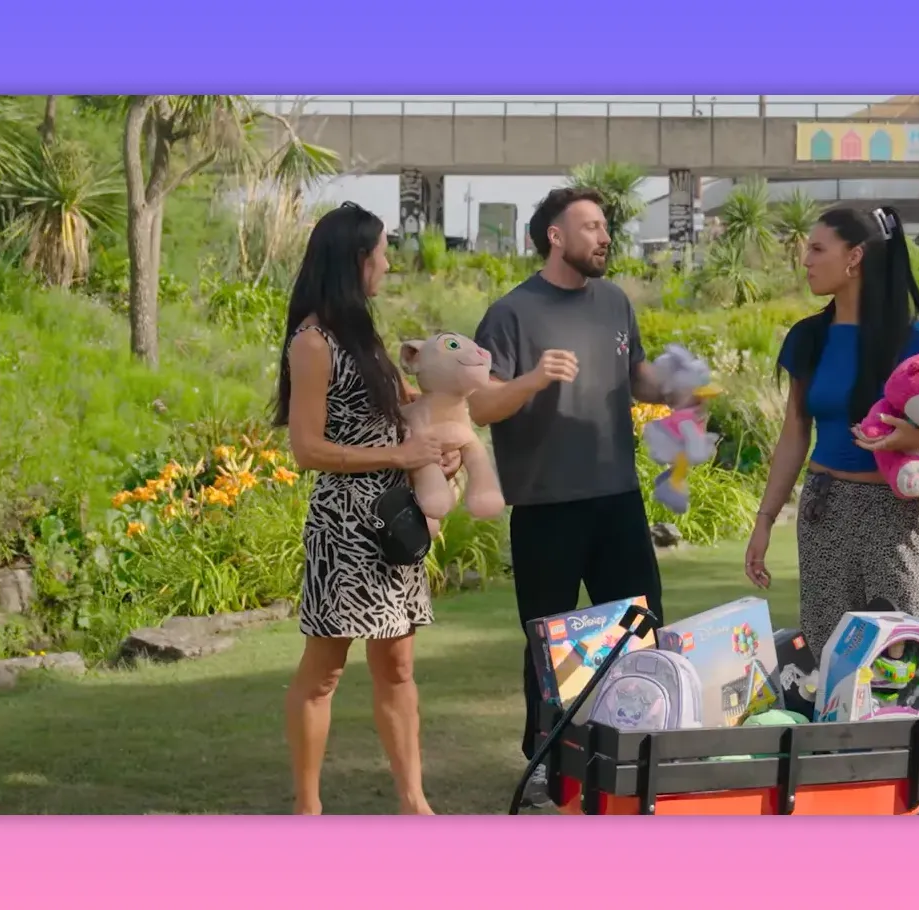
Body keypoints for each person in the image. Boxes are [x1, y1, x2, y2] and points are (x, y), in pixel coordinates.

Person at [742, 205, 919, 816]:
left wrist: (912, 442)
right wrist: (763, 521)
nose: (805, 260)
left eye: (816, 249)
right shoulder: (809, 337)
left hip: (889, 517)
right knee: (834, 668)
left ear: (854, 258)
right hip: (823, 513)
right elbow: (793, 434)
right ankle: (859, 804)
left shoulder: (916, 341)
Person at [470, 186, 677, 809]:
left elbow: (635, 377)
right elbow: (481, 404)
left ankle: (646, 753)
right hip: (546, 506)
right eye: (590, 226)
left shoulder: (614, 302)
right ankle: (541, 763)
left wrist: (675, 386)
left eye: (605, 225)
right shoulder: (510, 314)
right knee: (549, 641)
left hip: (617, 498)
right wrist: (534, 378)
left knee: (642, 631)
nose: (603, 235)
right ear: (555, 236)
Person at [275, 202, 460, 816]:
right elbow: (307, 448)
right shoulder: (312, 341)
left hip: (393, 519)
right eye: (381, 252)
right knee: (324, 669)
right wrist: (398, 452)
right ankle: (307, 808)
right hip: (345, 526)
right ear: (357, 259)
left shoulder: (365, 336)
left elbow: (401, 419)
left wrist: (431, 455)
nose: (386, 263)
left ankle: (414, 804)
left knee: (399, 664)